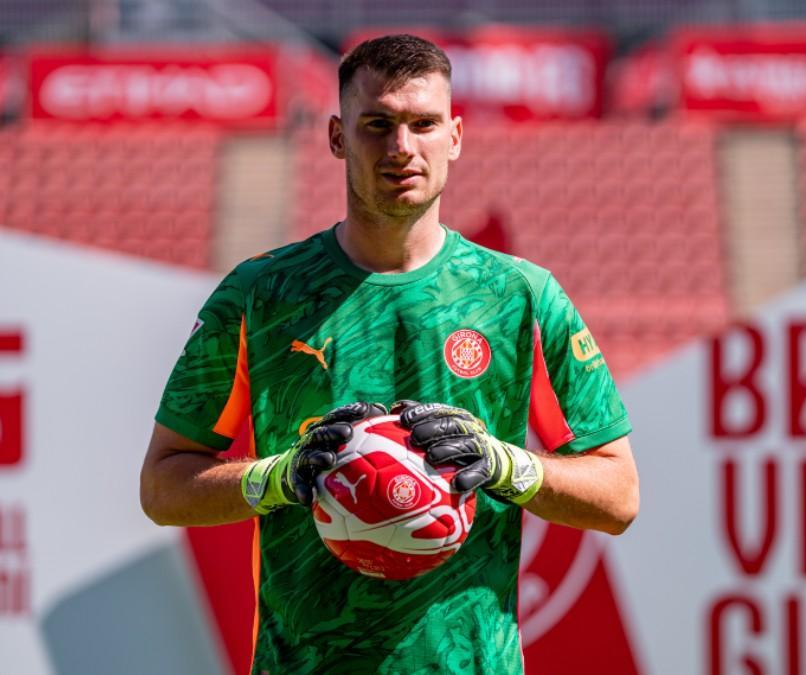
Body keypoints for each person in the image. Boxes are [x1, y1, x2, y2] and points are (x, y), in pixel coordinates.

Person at [140, 33, 639, 674]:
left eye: (423, 124)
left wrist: (505, 465)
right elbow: (163, 485)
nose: (402, 147)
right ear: (337, 137)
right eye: (377, 124)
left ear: (454, 136)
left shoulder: (522, 296)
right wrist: (278, 478)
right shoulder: (260, 295)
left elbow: (619, 494)